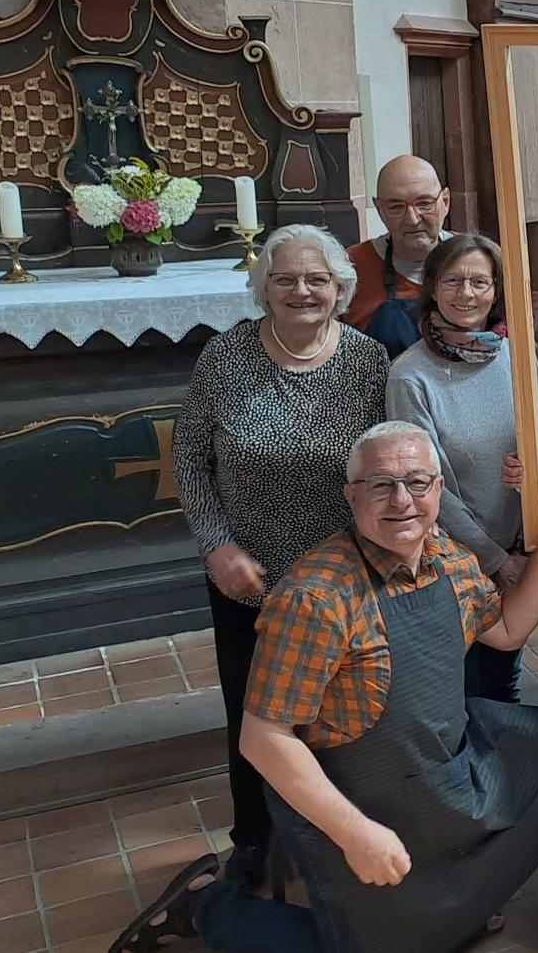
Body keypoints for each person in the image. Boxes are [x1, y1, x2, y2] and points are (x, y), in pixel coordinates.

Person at [118, 422, 538, 953]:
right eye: (381, 485)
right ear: (352, 495)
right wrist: (355, 834)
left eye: (417, 482)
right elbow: (262, 738)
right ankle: (207, 905)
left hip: (442, 779)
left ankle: (455, 912)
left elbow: (506, 632)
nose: (402, 500)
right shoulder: (315, 598)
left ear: (438, 490)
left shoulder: (451, 560)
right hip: (359, 799)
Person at [173, 224, 389, 891]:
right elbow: (188, 456)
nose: (302, 290)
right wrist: (216, 545)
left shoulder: (369, 361)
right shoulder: (225, 356)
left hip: (340, 580)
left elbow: (387, 464)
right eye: (286, 277)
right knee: (254, 715)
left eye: (317, 278)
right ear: (263, 285)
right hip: (249, 580)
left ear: (340, 288)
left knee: (342, 714)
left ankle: (339, 838)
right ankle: (255, 843)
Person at [385, 233, 538, 703]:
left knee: (501, 684)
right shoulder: (410, 374)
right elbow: (422, 487)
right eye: (453, 280)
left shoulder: (515, 354)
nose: (467, 293)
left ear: (497, 290)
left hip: (520, 546)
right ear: (432, 287)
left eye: (480, 281)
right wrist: (494, 560)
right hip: (455, 557)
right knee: (462, 688)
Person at [345, 155, 453, 358]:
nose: (412, 219)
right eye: (396, 207)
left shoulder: (479, 260)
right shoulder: (348, 268)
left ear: (445, 202)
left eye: (424, 203)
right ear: (379, 210)